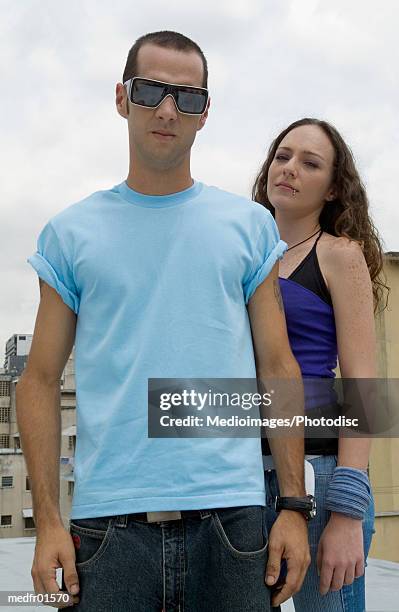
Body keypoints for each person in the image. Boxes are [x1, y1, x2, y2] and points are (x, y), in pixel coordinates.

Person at [16, 32, 311, 612]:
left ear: (205, 114)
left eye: (188, 97)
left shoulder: (249, 227)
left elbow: (278, 365)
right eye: (152, 91)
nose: (169, 110)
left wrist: (295, 510)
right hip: (107, 531)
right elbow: (39, 380)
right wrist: (48, 522)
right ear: (123, 98)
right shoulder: (71, 233)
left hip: (233, 525)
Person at [252, 117, 387, 611]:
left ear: (333, 189)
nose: (288, 169)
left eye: (309, 163)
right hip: (243, 478)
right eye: (282, 156)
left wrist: (348, 511)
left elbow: (364, 384)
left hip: (322, 475)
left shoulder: (339, 254)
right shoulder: (244, 253)